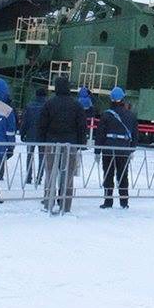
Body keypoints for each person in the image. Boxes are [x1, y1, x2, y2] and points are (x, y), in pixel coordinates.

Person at [38, 76, 88, 213]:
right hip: (70, 145)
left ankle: (48, 202)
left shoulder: (49, 104)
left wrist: (42, 142)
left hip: (51, 143)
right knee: (68, 176)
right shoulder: (76, 105)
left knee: (50, 174)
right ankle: (65, 205)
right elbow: (82, 126)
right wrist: (80, 143)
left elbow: (42, 125)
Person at [97, 86, 138, 209]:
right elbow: (135, 134)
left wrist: (97, 151)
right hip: (124, 149)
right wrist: (132, 149)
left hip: (108, 149)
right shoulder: (131, 115)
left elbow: (100, 134)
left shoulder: (106, 115)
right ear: (123, 99)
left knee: (108, 174)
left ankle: (108, 201)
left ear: (111, 99)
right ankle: (124, 202)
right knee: (123, 175)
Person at [21, 86, 47, 185]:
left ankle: (28, 177)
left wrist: (22, 133)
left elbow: (25, 121)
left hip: (30, 135)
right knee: (42, 157)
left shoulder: (29, 106)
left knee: (29, 155)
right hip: (43, 136)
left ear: (36, 95)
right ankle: (39, 178)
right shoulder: (47, 106)